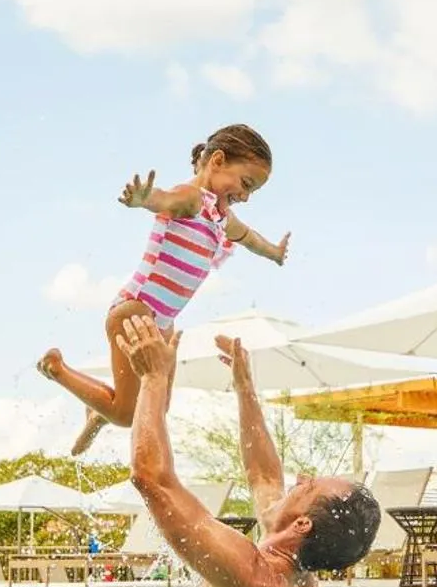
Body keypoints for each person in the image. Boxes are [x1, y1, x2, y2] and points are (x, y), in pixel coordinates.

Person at [117, 314, 380, 587]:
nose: (300, 478)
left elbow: (151, 478)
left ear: (303, 523)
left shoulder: (251, 575)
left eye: (307, 486)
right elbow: (263, 476)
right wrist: (244, 388)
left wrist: (153, 379)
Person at [37, 124, 291, 455]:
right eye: (245, 184)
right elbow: (165, 200)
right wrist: (144, 199)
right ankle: (57, 369)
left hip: (162, 323)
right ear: (217, 160)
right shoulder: (193, 199)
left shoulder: (220, 217)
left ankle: (99, 412)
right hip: (136, 311)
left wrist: (273, 252)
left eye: (252, 192)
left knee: (155, 408)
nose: (245, 196)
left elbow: (250, 238)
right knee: (129, 415)